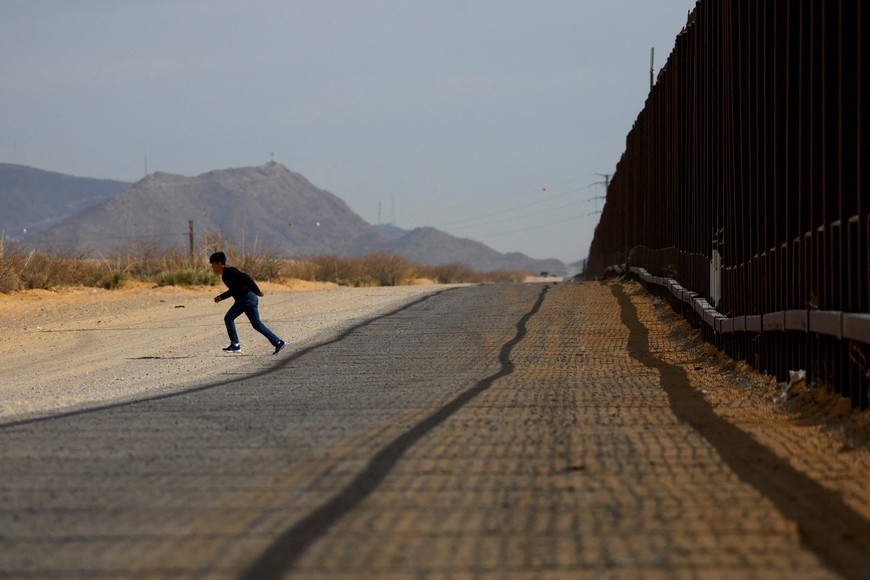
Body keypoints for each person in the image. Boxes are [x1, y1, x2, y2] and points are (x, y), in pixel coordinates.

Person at [209, 251, 285, 354]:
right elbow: (233, 290)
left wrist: (257, 290)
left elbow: (246, 277)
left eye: (212, 264)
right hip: (249, 298)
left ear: (218, 263)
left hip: (246, 298)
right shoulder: (226, 275)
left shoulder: (229, 272)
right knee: (256, 324)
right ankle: (278, 342)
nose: (212, 267)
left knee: (228, 318)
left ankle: (235, 344)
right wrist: (221, 297)